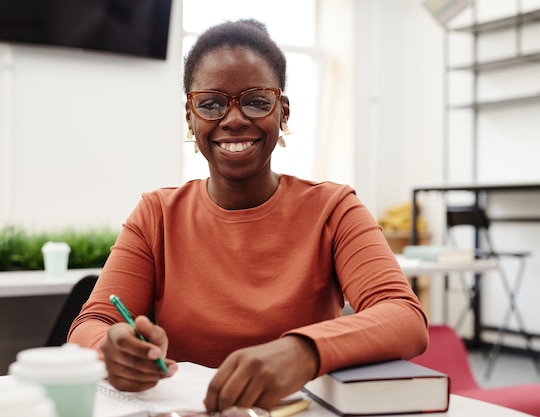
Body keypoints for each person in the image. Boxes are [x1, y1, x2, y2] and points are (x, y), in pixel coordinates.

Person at [69, 18, 428, 413]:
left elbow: (404, 316)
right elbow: (91, 324)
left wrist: (304, 351)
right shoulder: (157, 214)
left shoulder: (334, 208)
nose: (234, 118)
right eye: (210, 103)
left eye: (257, 100)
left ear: (283, 112)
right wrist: (111, 350)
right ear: (190, 116)